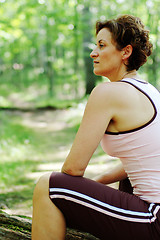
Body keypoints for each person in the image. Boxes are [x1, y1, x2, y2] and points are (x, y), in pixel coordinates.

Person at [32, 15, 160, 240]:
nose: (93, 53)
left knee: (48, 186)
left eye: (102, 46)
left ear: (125, 52)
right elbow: (146, 158)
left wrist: (80, 188)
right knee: (127, 179)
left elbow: (73, 169)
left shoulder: (107, 93)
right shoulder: (149, 91)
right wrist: (98, 182)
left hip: (153, 218)